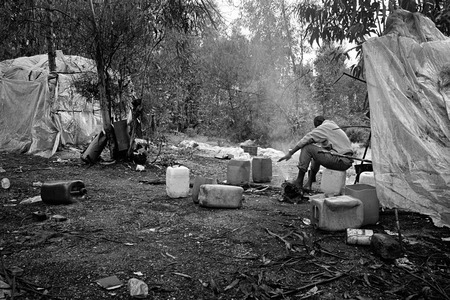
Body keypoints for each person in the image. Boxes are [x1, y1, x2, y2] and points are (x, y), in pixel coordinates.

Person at [278, 116, 354, 192]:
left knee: (307, 148)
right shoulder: (332, 126)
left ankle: (299, 181)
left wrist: (291, 153)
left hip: (340, 160)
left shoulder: (324, 127)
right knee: (319, 151)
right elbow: (321, 152)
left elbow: (307, 138)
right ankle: (309, 183)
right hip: (345, 162)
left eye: (316, 127)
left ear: (318, 124)